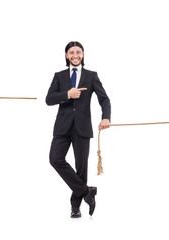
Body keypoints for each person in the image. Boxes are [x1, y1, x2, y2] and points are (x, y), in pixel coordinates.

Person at [46, 41, 111, 218]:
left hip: (82, 127)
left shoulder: (91, 76)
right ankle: (86, 191)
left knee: (81, 167)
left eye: (79, 52)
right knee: (55, 159)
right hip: (62, 126)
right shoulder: (59, 76)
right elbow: (49, 99)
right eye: (71, 52)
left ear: (83, 54)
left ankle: (76, 207)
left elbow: (104, 99)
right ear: (66, 55)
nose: (75, 55)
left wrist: (106, 117)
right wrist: (67, 94)